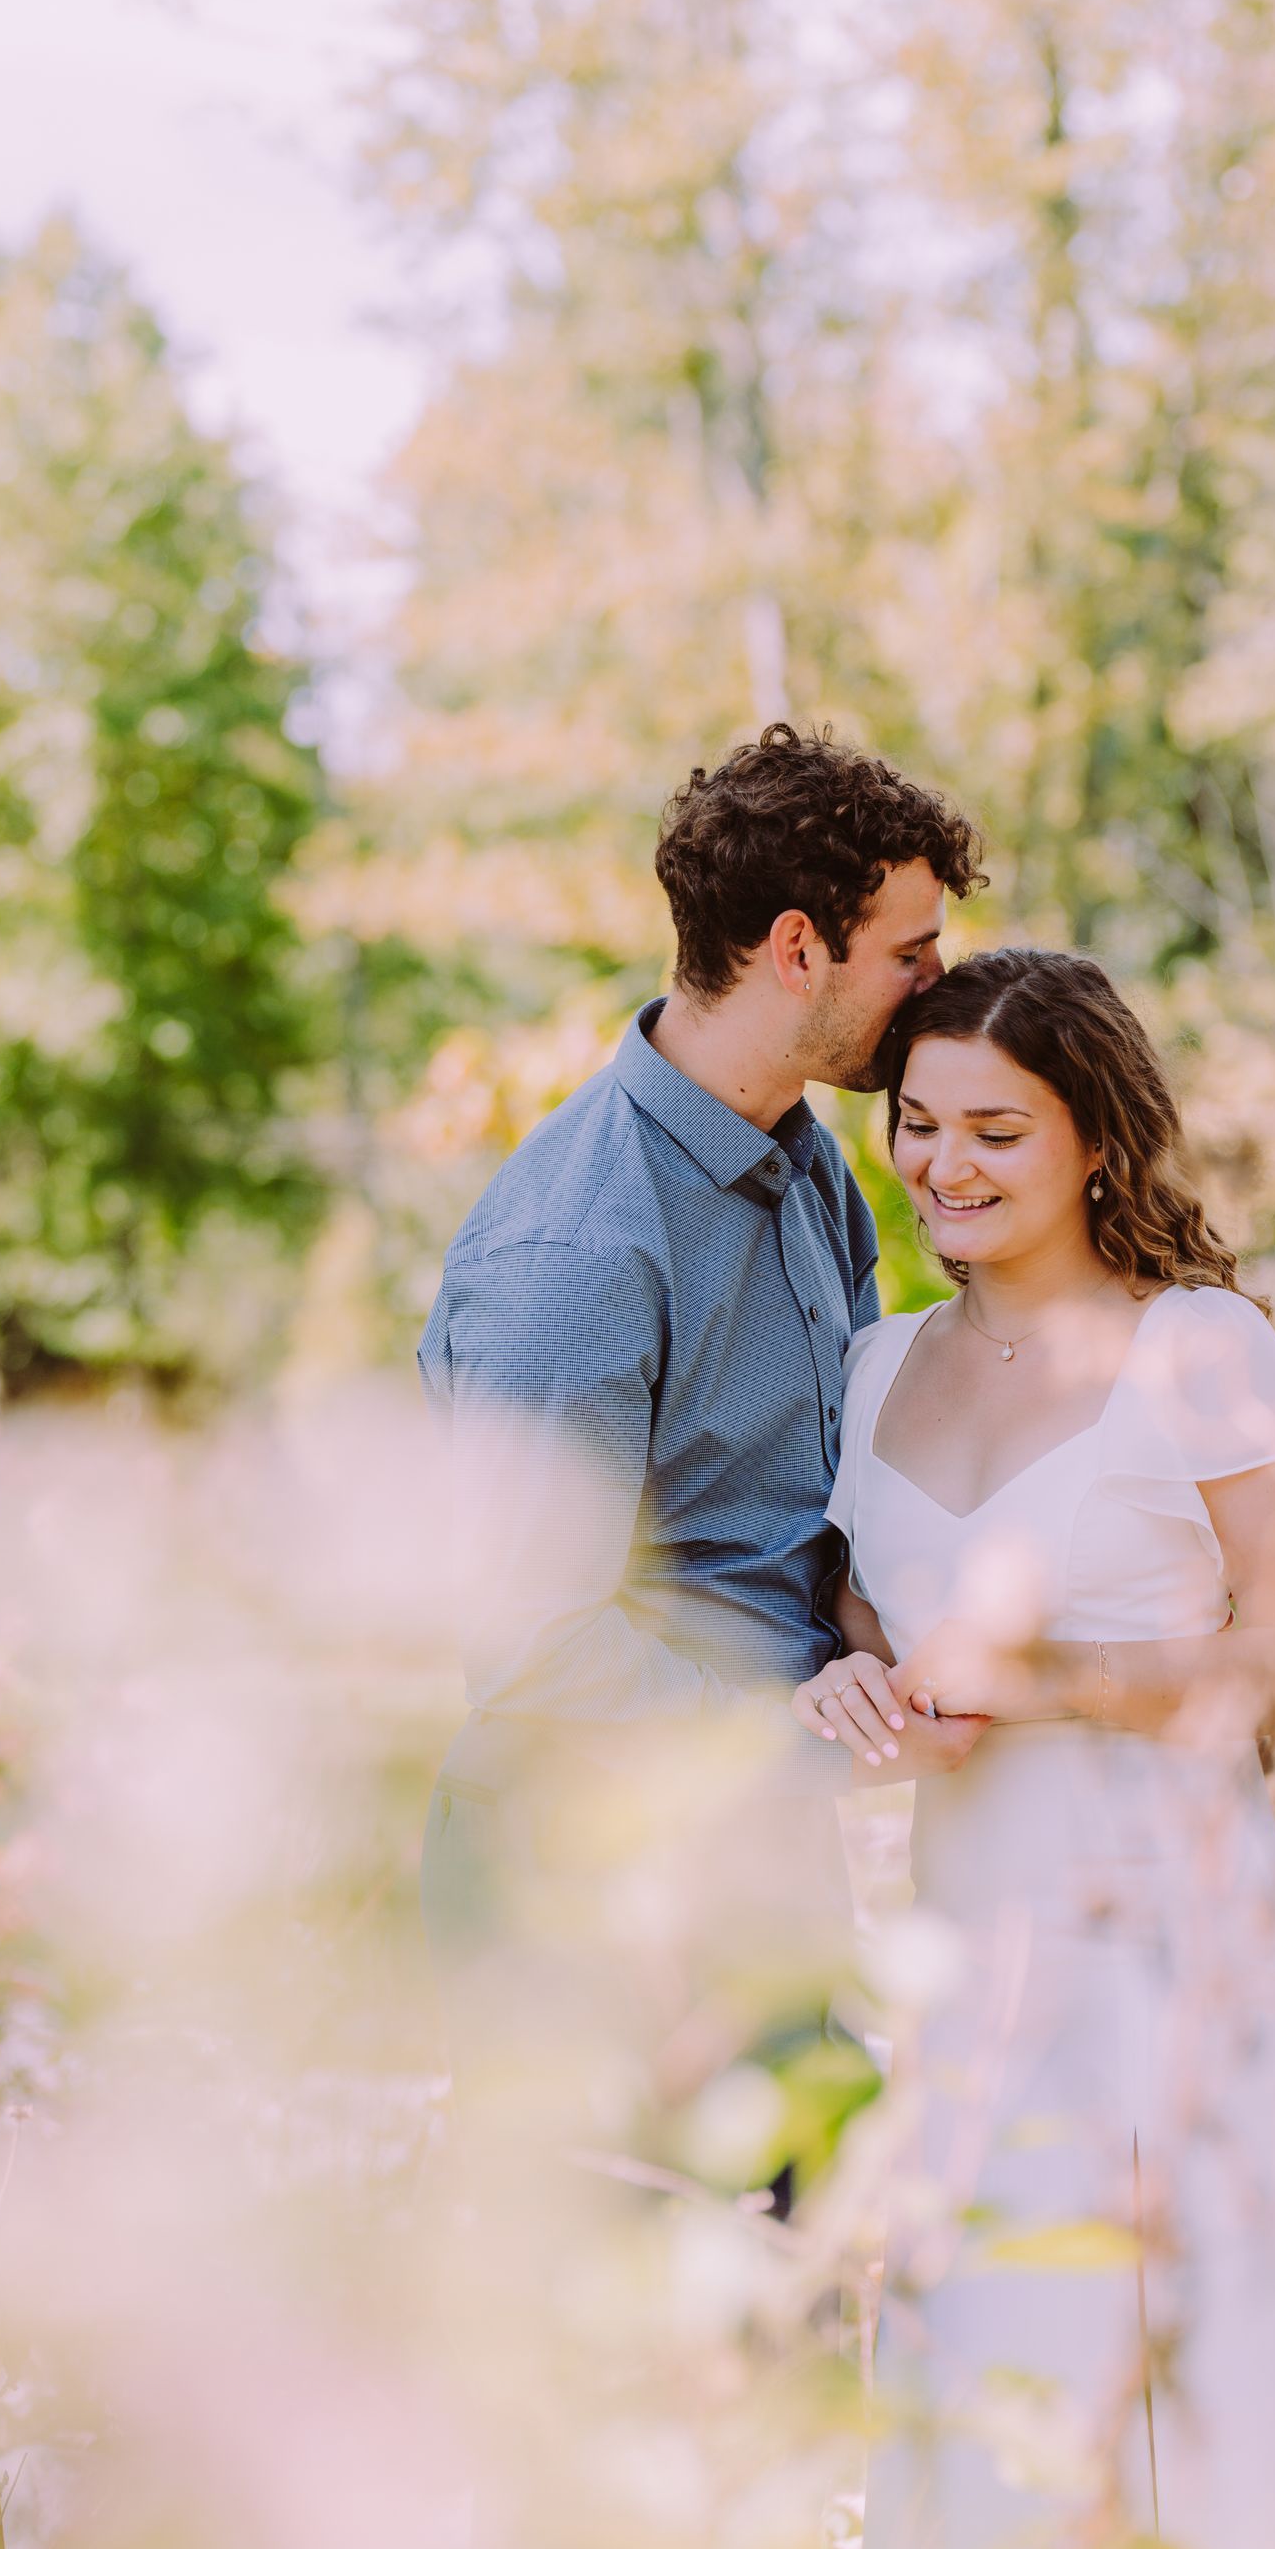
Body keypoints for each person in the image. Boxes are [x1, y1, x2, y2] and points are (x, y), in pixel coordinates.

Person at [796, 948, 1275, 2549]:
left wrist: (1055, 1684)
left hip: (1177, 1959)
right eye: (917, 1126)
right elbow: (870, 1597)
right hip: (965, 1963)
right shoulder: (876, 1361)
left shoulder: (1204, 1349)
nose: (944, 1165)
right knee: (993, 2401)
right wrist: (854, 1672)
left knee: (1211, 2407)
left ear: (1096, 1140)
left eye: (996, 1129)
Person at [416, 723, 989, 1952]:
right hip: (585, 1890)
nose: (938, 981)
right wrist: (814, 1735)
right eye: (911, 950)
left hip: (758, 1858)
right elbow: (534, 1650)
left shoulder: (814, 1171)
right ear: (798, 950)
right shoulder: (575, 1248)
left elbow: (824, 1516)